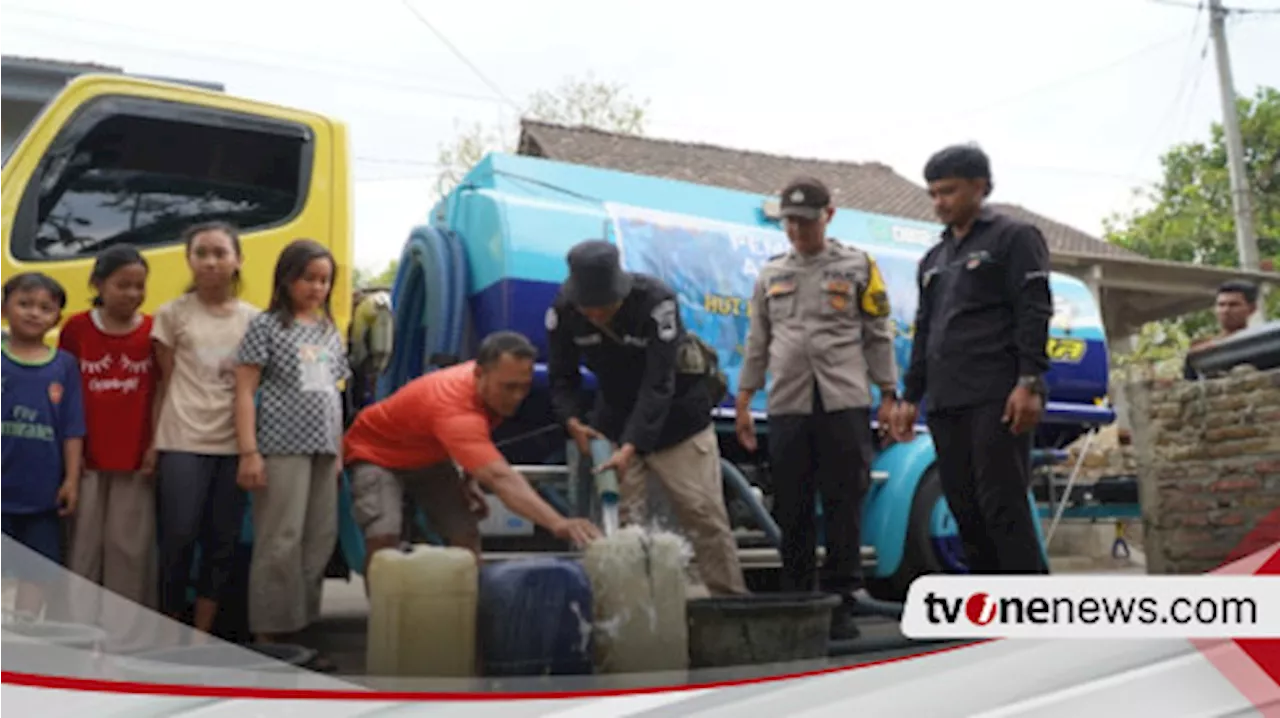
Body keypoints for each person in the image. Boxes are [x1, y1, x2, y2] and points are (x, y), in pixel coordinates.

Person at [736, 176, 898, 640]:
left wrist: (888, 393)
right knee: (792, 505)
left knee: (844, 502)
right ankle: (798, 600)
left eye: (806, 222)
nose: (798, 232)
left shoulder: (858, 266)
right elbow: (757, 342)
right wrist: (745, 400)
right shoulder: (770, 274)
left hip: (843, 402)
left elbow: (877, 332)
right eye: (790, 222)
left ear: (829, 216)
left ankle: (843, 600)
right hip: (787, 404)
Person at [547, 240, 748, 597]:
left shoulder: (656, 302)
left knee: (703, 515)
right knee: (625, 524)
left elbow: (660, 382)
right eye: (587, 309)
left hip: (679, 419)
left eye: (603, 307)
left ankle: (729, 600)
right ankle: (633, 607)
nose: (594, 315)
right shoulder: (564, 311)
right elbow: (562, 377)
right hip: (614, 417)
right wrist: (573, 421)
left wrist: (633, 445)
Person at [890, 144, 1053, 575]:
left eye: (948, 191)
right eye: (933, 194)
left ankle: (1034, 611)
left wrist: (1029, 381)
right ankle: (989, 616)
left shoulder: (1014, 237)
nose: (939, 202)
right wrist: (911, 396)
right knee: (963, 508)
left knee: (1001, 502)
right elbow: (925, 328)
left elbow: (1034, 311)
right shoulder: (935, 258)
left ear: (980, 187)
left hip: (997, 393)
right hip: (946, 399)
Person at [343, 330, 601, 583]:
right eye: (509, 387)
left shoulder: (488, 385)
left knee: (465, 534)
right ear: (479, 374)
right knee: (384, 538)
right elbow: (500, 478)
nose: (517, 397)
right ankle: (385, 614)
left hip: (427, 455)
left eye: (524, 387)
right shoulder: (454, 408)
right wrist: (558, 523)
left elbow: (473, 445)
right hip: (376, 452)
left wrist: (468, 476)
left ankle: (470, 609)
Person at [234, 239, 347, 666]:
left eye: (324, 280)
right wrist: (249, 452)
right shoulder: (266, 326)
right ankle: (269, 635)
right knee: (279, 541)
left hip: (323, 450)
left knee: (317, 540)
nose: (317, 288)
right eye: (308, 278)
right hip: (280, 447)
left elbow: (335, 394)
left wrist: (337, 452)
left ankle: (300, 632)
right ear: (287, 279)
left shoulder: (328, 330)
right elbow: (244, 391)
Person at [151, 221, 259, 634]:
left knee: (222, 543)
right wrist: (151, 445)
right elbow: (164, 382)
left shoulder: (254, 320)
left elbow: (255, 386)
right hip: (181, 438)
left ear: (237, 260)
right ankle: (167, 628)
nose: (211, 261)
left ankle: (201, 636)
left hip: (234, 444)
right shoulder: (172, 314)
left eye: (220, 253)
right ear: (189, 260)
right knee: (177, 537)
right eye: (202, 253)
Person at [59, 245, 159, 618]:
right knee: (82, 548)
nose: (132, 294)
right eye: (123, 285)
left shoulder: (152, 331)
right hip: (86, 458)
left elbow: (162, 392)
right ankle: (79, 628)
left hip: (135, 457)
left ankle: (126, 635)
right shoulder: (77, 329)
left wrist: (155, 445)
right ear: (98, 284)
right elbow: (66, 394)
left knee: (129, 550)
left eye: (139, 286)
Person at [0, 273, 84, 617]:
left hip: (42, 496)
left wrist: (72, 481)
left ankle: (25, 636)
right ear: (4, 309)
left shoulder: (64, 366)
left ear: (57, 318)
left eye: (44, 307)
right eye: (24, 304)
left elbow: (73, 429)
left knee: (36, 573)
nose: (34, 313)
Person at [1183, 280, 1259, 380]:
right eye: (1221, 305)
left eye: (1234, 305)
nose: (1226, 310)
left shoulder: (1261, 345)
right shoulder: (1201, 351)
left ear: (1252, 309)